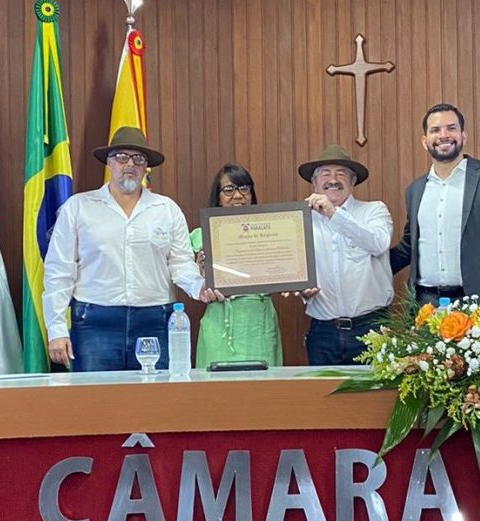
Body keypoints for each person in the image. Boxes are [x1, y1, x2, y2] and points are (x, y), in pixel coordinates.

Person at [43, 126, 219, 372]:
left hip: (155, 320)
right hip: (94, 323)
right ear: (109, 162)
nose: (130, 164)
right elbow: (59, 272)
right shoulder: (78, 208)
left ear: (146, 167)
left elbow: (180, 264)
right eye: (121, 157)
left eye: (138, 159)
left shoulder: (166, 210)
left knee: (155, 404)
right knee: (96, 404)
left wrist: (199, 287)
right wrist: (56, 329)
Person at [390, 103, 480, 305]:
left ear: (463, 136)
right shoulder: (415, 190)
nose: (443, 135)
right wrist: (361, 267)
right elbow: (408, 247)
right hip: (425, 306)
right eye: (435, 130)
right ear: (424, 140)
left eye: (451, 128)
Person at [294, 144, 393, 365]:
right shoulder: (300, 220)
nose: (333, 179)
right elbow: (293, 266)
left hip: (372, 329)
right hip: (322, 332)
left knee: (374, 399)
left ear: (353, 180)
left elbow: (378, 243)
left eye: (341, 174)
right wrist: (302, 290)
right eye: (325, 174)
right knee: (322, 399)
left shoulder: (374, 211)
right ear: (314, 182)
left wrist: (332, 213)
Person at [189, 164, 283, 368]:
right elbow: (192, 280)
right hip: (220, 320)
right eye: (229, 190)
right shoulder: (201, 235)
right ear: (218, 197)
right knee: (216, 393)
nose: (238, 196)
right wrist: (200, 271)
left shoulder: (271, 233)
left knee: (262, 392)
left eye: (244, 188)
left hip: (258, 320)